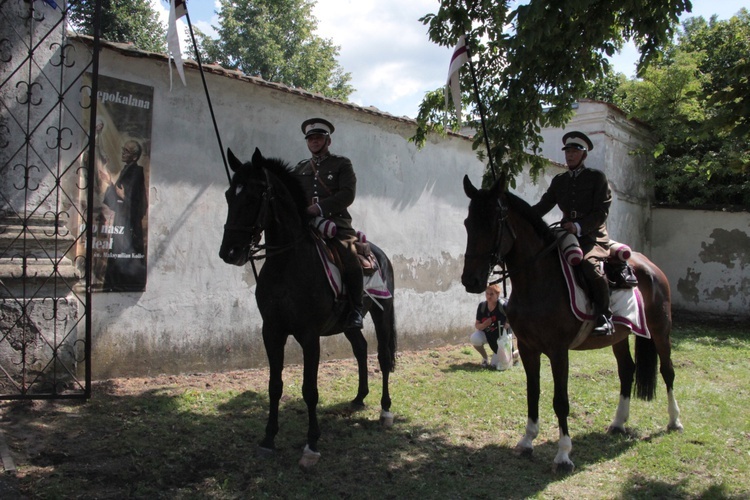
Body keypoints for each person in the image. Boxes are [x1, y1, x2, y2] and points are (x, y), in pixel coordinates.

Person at [532, 131, 613, 335]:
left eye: (575, 151)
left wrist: (578, 226)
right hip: (566, 234)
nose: (570, 155)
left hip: (592, 235)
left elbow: (601, 212)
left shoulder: (597, 178)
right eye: (567, 151)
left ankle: (605, 316)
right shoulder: (559, 181)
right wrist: (520, 214)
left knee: (588, 265)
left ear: (584, 155)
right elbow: (543, 206)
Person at [291, 118, 364, 331]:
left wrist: (319, 208)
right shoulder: (300, 168)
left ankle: (356, 310)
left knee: (349, 256)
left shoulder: (342, 164)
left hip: (336, 223)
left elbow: (347, 194)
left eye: (319, 138)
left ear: (328, 141)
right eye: (311, 138)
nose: (314, 141)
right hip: (306, 224)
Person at [99, 139, 147, 291]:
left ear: (134, 156)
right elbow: (117, 197)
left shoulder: (137, 172)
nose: (123, 153)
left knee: (125, 253)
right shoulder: (126, 170)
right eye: (123, 149)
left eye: (126, 151)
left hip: (129, 223)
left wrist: (118, 192)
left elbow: (133, 199)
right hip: (122, 220)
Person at [470, 284, 512, 367]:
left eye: (492, 294)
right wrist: (484, 324)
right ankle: (485, 358)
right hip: (487, 334)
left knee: (495, 365)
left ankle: (513, 355)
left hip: (500, 339)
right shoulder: (482, 306)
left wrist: (507, 324)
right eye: (487, 294)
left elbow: (514, 318)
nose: (489, 297)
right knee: (474, 338)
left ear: (497, 295)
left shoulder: (503, 306)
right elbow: (477, 325)